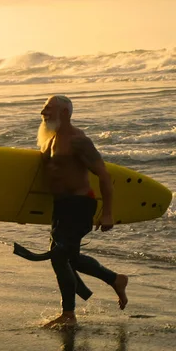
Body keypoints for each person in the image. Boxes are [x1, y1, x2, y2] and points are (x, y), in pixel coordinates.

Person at [36, 95, 128, 327]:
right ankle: (115, 279)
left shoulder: (79, 140)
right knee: (70, 258)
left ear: (65, 112)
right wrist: (20, 211)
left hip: (80, 204)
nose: (42, 112)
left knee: (59, 256)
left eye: (48, 108)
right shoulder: (51, 139)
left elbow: (104, 176)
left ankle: (68, 315)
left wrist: (107, 213)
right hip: (62, 205)